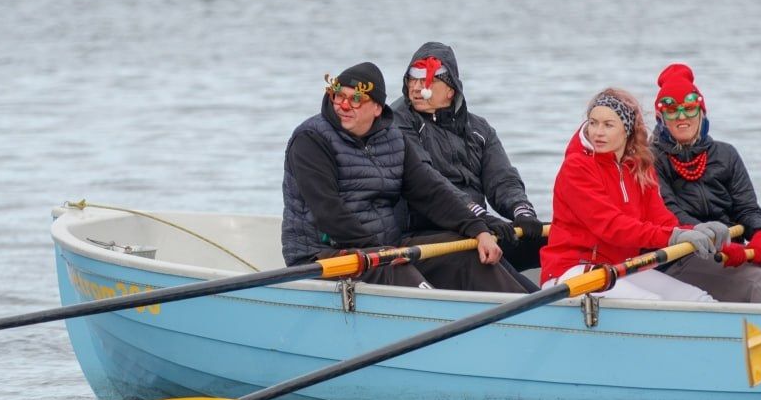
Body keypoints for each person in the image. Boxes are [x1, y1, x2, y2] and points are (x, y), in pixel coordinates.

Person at [282, 62, 529, 294]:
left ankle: (533, 313)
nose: (343, 107)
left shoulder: (393, 138)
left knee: (465, 250)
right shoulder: (311, 139)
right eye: (339, 96)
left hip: (385, 247)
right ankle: (437, 319)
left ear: (377, 108)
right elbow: (328, 212)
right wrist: (381, 251)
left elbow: (431, 192)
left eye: (356, 99)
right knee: (396, 269)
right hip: (322, 255)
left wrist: (478, 229)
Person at [539, 87, 720, 302]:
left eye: (608, 125)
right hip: (571, 270)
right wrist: (674, 236)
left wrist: (695, 231)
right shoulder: (576, 167)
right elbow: (612, 226)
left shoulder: (639, 167)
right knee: (652, 305)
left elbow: (660, 219)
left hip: (619, 266)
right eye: (593, 122)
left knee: (697, 299)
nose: (597, 132)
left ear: (627, 130)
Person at [391, 42, 546, 289]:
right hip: (424, 233)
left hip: (475, 227)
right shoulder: (398, 125)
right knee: (477, 254)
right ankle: (535, 310)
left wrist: (522, 211)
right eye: (413, 79)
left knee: (551, 237)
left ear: (450, 89)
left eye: (427, 80)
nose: (418, 88)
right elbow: (430, 183)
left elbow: (502, 179)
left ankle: (590, 299)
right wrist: (479, 217)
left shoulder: (479, 129)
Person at [650, 63, 761, 304]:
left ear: (701, 112)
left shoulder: (727, 154)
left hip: (732, 251)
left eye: (689, 109)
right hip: (682, 255)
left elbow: (747, 209)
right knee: (759, 282)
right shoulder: (650, 161)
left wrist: (760, 234)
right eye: (673, 111)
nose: (682, 117)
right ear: (661, 118)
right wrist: (717, 244)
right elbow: (671, 214)